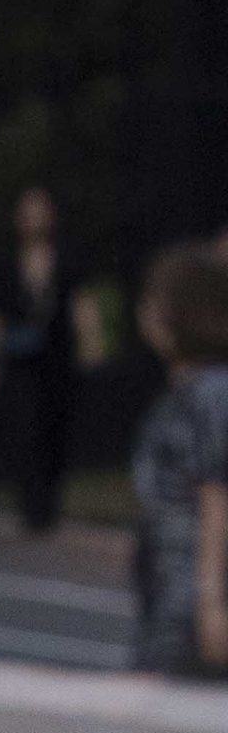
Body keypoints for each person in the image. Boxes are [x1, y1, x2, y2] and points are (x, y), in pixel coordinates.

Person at [126, 241, 228, 677]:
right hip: (167, 588)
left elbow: (216, 493)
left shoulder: (211, 393)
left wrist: (211, 601)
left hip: (191, 598)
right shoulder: (183, 391)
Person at [0, 182, 95, 540]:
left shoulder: (66, 257)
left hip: (57, 355)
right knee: (24, 429)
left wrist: (91, 342)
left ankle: (49, 505)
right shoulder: (7, 263)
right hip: (18, 358)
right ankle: (30, 507)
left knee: (55, 427)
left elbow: (81, 303)